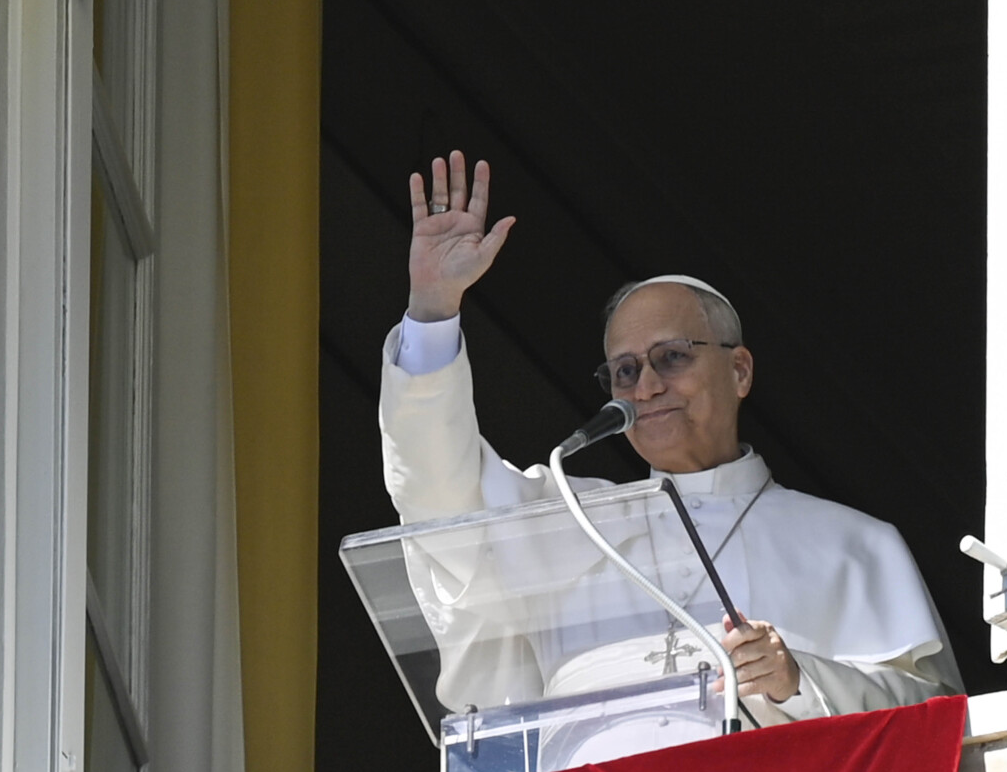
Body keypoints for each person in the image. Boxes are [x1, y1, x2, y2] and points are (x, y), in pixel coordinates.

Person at [381, 151, 960, 727]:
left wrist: (798, 680)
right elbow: (438, 491)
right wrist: (433, 309)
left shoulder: (850, 544)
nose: (648, 386)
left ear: (739, 371)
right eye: (625, 371)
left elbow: (934, 724)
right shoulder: (568, 521)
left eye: (673, 357)